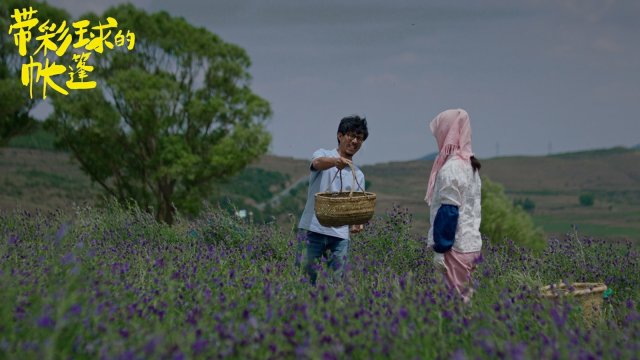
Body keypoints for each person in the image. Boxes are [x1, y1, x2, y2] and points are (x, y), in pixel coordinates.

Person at [297, 115, 369, 285]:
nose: (355, 141)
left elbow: (356, 206)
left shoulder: (357, 174)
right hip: (312, 229)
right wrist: (336, 161)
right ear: (340, 135)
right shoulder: (323, 154)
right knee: (304, 281)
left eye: (359, 138)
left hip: (340, 236)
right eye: (351, 135)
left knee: (336, 285)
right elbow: (316, 163)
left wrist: (358, 222)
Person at [425, 109, 482, 303]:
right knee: (466, 300)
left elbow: (449, 211)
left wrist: (440, 249)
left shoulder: (451, 169)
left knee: (454, 305)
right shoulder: (470, 166)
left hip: (455, 246)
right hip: (471, 244)